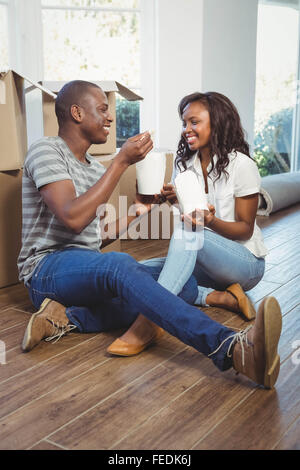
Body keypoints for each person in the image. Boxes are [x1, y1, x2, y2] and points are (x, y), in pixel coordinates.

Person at [18, 81, 282, 389]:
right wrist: (120, 162)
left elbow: (92, 236)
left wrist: (138, 210)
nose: (110, 117)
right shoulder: (46, 150)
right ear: (77, 113)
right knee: (123, 267)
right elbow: (73, 218)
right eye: (103, 109)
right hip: (45, 270)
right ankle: (231, 348)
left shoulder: (91, 168)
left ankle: (67, 318)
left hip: (82, 268)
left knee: (180, 284)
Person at [109, 91, 270, 350]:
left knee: (187, 236)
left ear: (217, 122)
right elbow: (190, 219)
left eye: (194, 122)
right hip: (205, 262)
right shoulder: (184, 165)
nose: (187, 129)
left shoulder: (242, 166)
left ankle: (149, 323)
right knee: (138, 270)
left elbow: (244, 229)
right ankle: (219, 297)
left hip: (245, 264)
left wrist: (209, 222)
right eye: (184, 123)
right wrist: (174, 200)